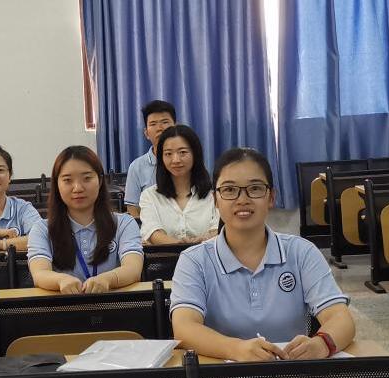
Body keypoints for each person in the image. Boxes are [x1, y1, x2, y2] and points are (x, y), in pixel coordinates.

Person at [171, 147, 354, 361]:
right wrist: (236, 349)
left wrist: (321, 344)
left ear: (271, 197)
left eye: (255, 188)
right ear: (215, 200)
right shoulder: (194, 260)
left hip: (292, 372)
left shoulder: (301, 252)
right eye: (229, 190)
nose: (242, 199)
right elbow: (184, 328)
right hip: (222, 377)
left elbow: (340, 317)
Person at [28, 146, 144, 293]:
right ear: (57, 185)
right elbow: (39, 274)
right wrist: (60, 280)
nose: (77, 188)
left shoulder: (124, 224)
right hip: (63, 305)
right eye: (68, 180)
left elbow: (133, 269)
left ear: (100, 181)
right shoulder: (42, 229)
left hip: (113, 304)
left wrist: (108, 279)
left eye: (87, 178)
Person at [139, 125, 220, 244]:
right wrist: (182, 247)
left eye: (182, 152)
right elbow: (152, 233)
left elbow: (219, 229)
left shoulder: (215, 194)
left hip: (207, 254)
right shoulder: (149, 196)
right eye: (168, 154)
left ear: (195, 154)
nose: (176, 160)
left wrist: (202, 242)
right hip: (165, 256)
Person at [125, 100, 177, 218]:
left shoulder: (186, 161)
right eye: (153, 124)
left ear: (176, 127)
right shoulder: (136, 167)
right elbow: (133, 209)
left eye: (165, 122)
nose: (160, 128)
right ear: (146, 133)